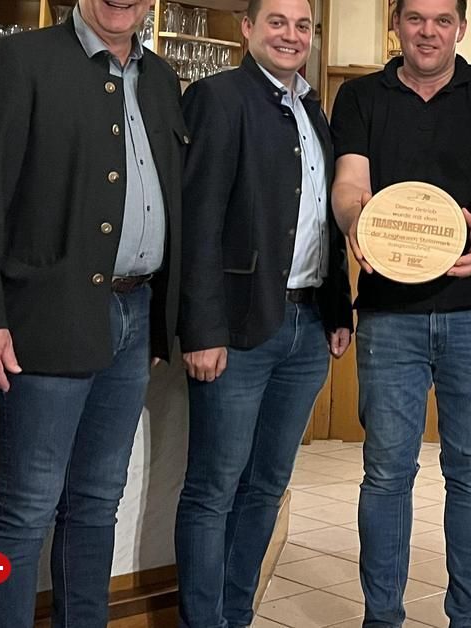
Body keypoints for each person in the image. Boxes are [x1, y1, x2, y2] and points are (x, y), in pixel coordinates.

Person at [0, 0, 184, 624]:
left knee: (98, 503)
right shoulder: (20, 60)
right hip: (43, 319)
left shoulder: (159, 78)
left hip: (135, 315)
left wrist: (162, 322)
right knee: (22, 511)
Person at [329, 0, 471, 623]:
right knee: (386, 474)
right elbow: (349, 185)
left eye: (443, 20)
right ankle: (381, 618)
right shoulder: (361, 96)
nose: (429, 31)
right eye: (416, 18)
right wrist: (357, 221)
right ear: (396, 22)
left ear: (461, 28)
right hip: (389, 316)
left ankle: (470, 619)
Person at [172, 0, 354, 624]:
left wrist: (338, 311)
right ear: (248, 29)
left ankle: (235, 614)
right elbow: (194, 225)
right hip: (236, 331)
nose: (291, 35)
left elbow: (323, 222)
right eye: (276, 21)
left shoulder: (313, 111)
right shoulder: (217, 97)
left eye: (303, 25)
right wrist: (201, 328)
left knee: (267, 488)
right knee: (213, 490)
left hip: (305, 330)